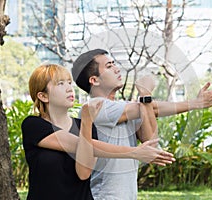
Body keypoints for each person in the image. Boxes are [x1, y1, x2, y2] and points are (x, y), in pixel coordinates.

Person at [72, 49, 212, 200]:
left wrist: (145, 99)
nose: (116, 69)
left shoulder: (125, 107)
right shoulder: (95, 107)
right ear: (94, 80)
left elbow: (151, 142)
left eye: (114, 63)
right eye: (109, 66)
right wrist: (194, 103)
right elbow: (150, 107)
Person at [21, 64, 175, 200]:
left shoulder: (84, 125)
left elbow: (84, 173)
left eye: (69, 82)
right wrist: (133, 152)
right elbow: (78, 144)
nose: (69, 88)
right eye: (60, 84)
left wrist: (87, 123)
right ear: (43, 96)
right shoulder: (34, 125)